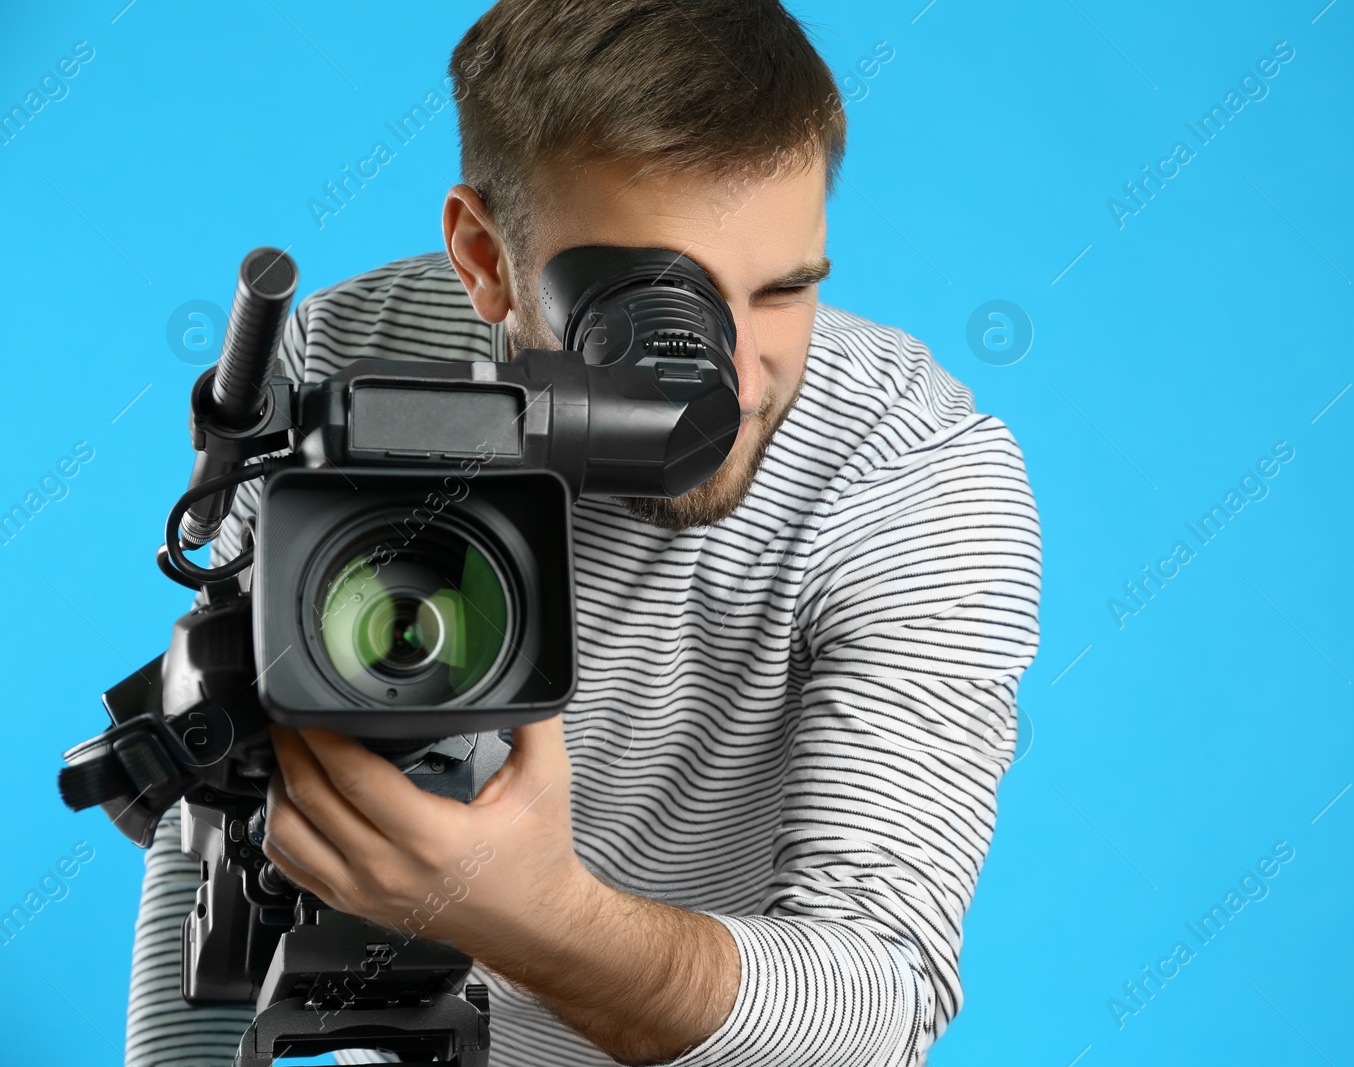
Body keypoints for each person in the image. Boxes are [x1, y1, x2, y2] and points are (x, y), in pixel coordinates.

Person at [126, 1, 1042, 1064]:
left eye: (785, 289)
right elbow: (225, 804)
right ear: (485, 254)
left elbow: (880, 1000)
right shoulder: (347, 358)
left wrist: (537, 915)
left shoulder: (908, 469)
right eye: (657, 309)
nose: (734, 383)